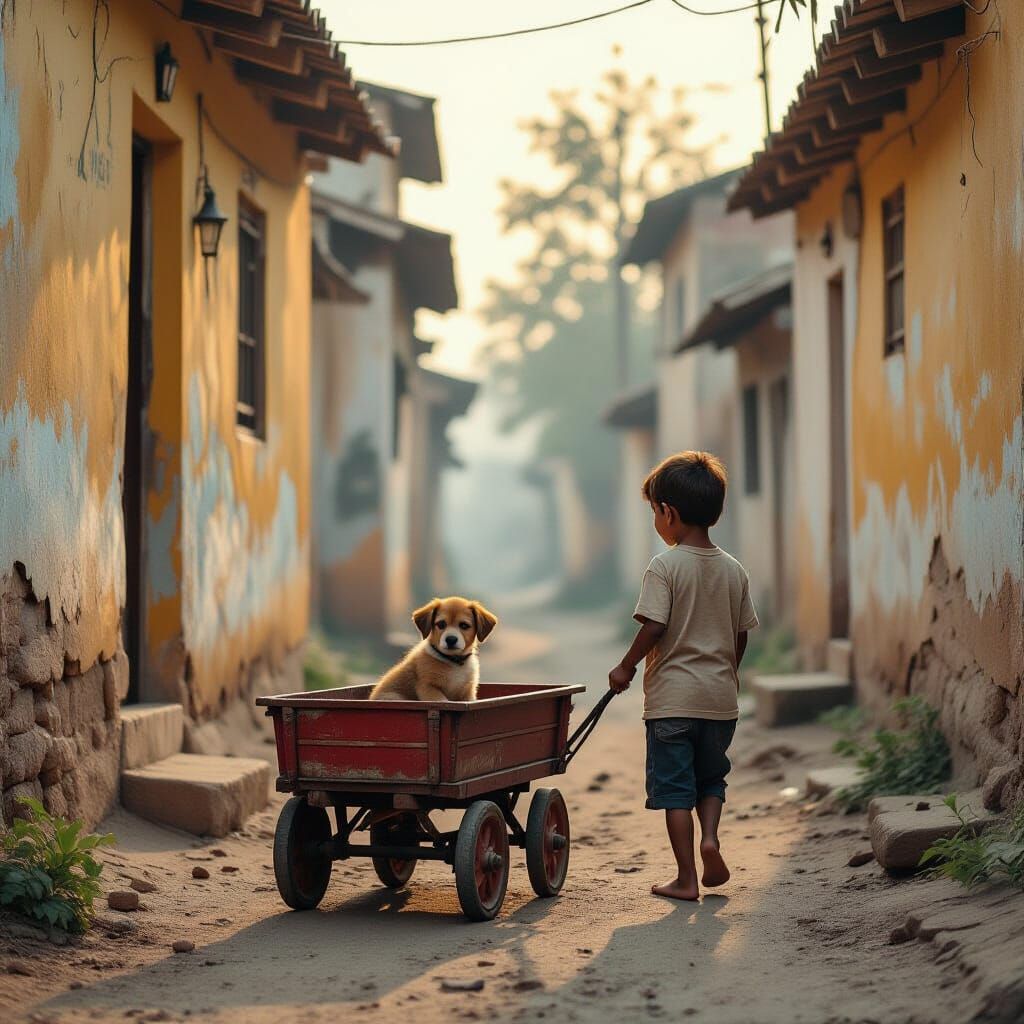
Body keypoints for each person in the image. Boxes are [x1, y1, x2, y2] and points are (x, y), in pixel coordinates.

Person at [608, 450, 758, 901]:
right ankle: (711, 838)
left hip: (673, 702)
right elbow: (741, 634)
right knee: (711, 780)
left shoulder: (665, 566)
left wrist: (626, 666)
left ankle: (686, 877)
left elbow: (653, 626)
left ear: (668, 513)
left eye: (654, 511)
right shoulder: (734, 571)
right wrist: (728, 673)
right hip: (719, 702)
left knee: (675, 792)